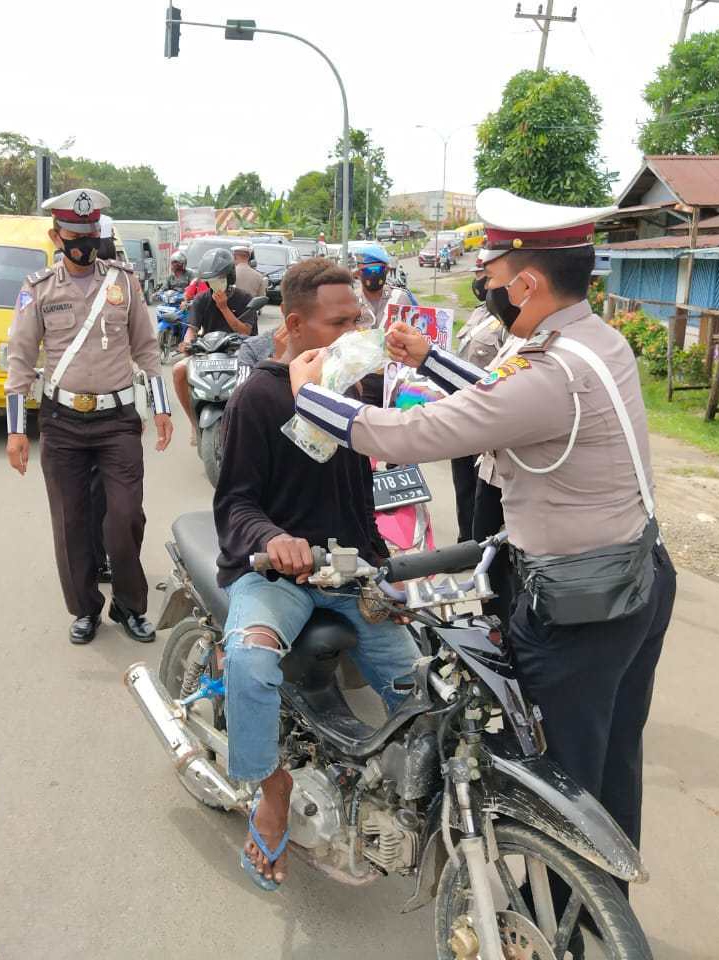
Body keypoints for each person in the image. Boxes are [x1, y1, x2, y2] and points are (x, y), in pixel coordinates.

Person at [289, 187, 678, 872]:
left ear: (528, 283)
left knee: (557, 775)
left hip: (578, 601)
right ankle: (602, 907)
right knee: (613, 758)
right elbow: (508, 401)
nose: (489, 292)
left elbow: (420, 432)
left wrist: (312, 399)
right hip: (636, 576)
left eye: (494, 282)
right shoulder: (593, 341)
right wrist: (430, 359)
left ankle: (557, 912)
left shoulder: (548, 368)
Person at [213, 257, 420, 890]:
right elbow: (236, 502)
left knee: (421, 684)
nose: (357, 331)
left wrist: (387, 574)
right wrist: (276, 540)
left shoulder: (355, 390)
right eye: (341, 322)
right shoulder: (259, 395)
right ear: (297, 325)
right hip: (276, 578)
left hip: (352, 574)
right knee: (249, 663)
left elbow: (362, 497)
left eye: (359, 318)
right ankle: (271, 791)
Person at [4, 187, 173, 645]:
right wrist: (16, 430)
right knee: (71, 522)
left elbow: (146, 348)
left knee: (124, 517)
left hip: (117, 420)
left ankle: (129, 606)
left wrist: (160, 407)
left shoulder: (124, 282)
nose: (84, 241)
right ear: (56, 235)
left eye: (91, 232)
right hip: (62, 423)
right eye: (75, 234)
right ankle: (84, 609)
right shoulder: (37, 289)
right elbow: (19, 360)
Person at [450, 250, 508, 543]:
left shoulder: (509, 323)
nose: (478, 282)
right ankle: (464, 542)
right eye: (475, 276)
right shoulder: (477, 314)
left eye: (483, 276)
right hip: (460, 408)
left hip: (485, 414)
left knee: (481, 484)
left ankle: (478, 546)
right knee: (462, 482)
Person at [172, 246, 253, 443]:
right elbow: (192, 328)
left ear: (230, 276)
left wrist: (224, 308)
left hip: (240, 352)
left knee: (259, 383)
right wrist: (187, 343)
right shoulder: (201, 299)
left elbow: (245, 331)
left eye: (220, 278)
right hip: (208, 352)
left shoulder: (245, 299)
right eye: (211, 280)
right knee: (178, 370)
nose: (215, 283)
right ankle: (193, 422)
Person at [355, 244, 415, 331]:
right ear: (358, 273)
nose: (373, 275)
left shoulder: (400, 299)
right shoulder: (351, 302)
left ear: (387, 271)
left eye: (377, 270)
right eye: (368, 271)